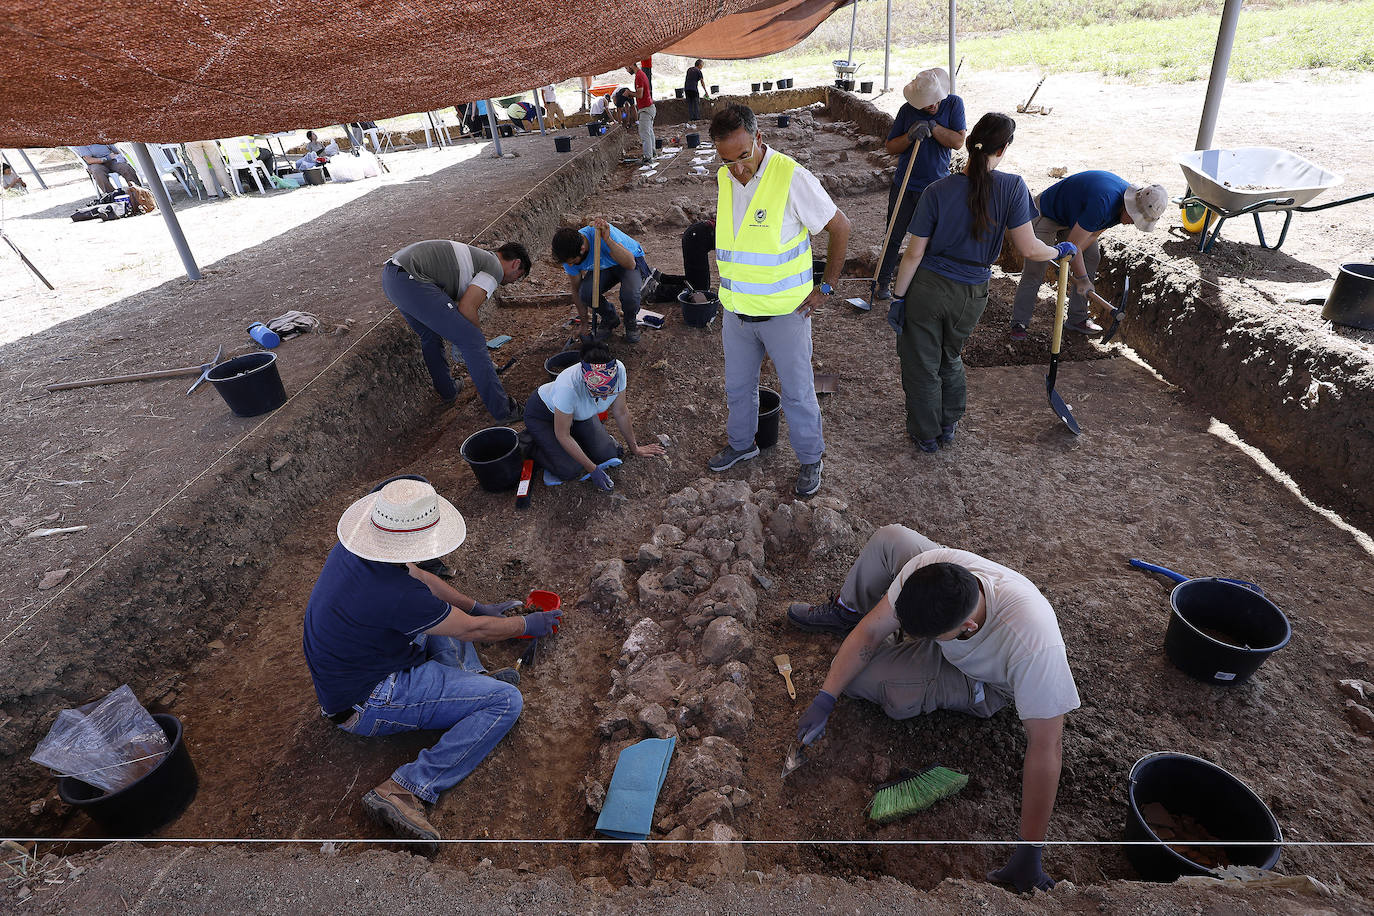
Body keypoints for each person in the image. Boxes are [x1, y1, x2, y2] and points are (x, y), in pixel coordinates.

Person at [788, 524, 1080, 893]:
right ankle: (845, 611)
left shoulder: (1033, 646)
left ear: (967, 627)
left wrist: (1030, 852)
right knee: (892, 539)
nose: (904, 634)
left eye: (918, 634)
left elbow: (1046, 747)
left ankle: (966, 689)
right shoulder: (932, 567)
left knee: (865, 681)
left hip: (986, 679)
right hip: (951, 635)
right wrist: (825, 697)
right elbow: (869, 633)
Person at [303, 477, 563, 850]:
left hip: (354, 670)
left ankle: (471, 680)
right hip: (366, 701)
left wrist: (475, 605)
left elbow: (424, 579)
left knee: (444, 619)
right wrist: (525, 624)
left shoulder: (356, 551)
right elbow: (473, 631)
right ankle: (407, 788)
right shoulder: (394, 595)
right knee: (505, 701)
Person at [888, 112, 1075, 452]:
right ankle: (947, 423)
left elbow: (913, 254)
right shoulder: (1013, 187)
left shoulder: (936, 190)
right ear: (1003, 148)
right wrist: (1058, 249)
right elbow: (1030, 249)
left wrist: (898, 297)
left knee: (921, 362)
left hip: (928, 288)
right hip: (972, 293)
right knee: (950, 355)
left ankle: (925, 434)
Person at [706, 104, 850, 499]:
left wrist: (827, 288)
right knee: (738, 387)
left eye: (743, 156)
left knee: (798, 391)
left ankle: (810, 459)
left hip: (786, 314)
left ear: (759, 139)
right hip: (736, 313)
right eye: (726, 160)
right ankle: (742, 445)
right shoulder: (725, 177)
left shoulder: (791, 177)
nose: (737, 168)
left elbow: (841, 227)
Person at [381, 239, 532, 420]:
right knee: (472, 340)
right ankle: (503, 410)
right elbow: (467, 307)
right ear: (516, 264)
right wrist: (476, 345)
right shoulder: (495, 268)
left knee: (430, 335)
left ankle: (448, 390)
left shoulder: (480, 259)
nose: (513, 282)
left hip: (393, 277)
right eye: (518, 276)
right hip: (411, 278)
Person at [1009, 171, 1168, 339]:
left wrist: (1068, 263)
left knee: (1091, 256)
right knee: (1036, 267)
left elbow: (1092, 235)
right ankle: (1019, 322)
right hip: (1047, 212)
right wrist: (1083, 278)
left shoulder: (1121, 209)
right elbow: (1073, 245)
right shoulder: (1104, 203)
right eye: (1135, 218)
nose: (1132, 223)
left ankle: (1077, 318)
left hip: (1074, 218)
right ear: (1130, 206)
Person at [874, 67, 967, 301]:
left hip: (936, 187)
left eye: (935, 101)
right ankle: (882, 282)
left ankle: (925, 286)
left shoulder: (954, 104)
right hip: (905, 184)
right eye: (926, 104)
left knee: (933, 240)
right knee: (894, 235)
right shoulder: (907, 111)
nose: (932, 106)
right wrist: (909, 135)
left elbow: (957, 141)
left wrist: (934, 128)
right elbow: (891, 146)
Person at [523, 340, 666, 488]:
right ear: (586, 382)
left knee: (608, 454)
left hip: (578, 416)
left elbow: (621, 412)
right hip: (544, 416)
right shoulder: (568, 387)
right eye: (597, 393)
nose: (605, 398)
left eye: (609, 392)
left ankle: (575, 440)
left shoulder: (618, 370)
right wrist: (593, 469)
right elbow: (563, 435)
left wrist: (635, 448)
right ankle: (533, 444)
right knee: (570, 469)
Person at [552, 218, 654, 344]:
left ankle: (630, 322)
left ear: (582, 249)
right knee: (586, 293)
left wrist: (608, 240)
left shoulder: (602, 234)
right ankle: (610, 318)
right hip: (603, 266)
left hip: (627, 259)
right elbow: (576, 289)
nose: (571, 266)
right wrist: (584, 324)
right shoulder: (568, 254)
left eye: (573, 262)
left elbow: (630, 264)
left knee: (630, 294)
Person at [72, 143, 151, 212]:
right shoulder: (82, 143)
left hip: (112, 161)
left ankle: (138, 193)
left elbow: (117, 151)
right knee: (97, 171)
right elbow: (89, 160)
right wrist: (107, 158)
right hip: (96, 164)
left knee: (126, 168)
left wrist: (116, 151)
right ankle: (113, 197)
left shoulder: (102, 137)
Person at [626, 62, 656, 164]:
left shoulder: (639, 76)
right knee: (649, 132)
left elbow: (639, 94)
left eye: (626, 67)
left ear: (630, 65)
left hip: (645, 108)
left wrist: (630, 93)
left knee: (644, 133)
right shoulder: (641, 74)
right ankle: (652, 152)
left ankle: (648, 157)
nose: (626, 70)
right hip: (649, 107)